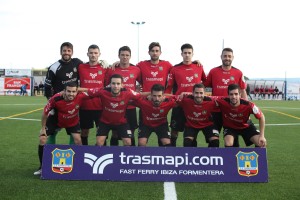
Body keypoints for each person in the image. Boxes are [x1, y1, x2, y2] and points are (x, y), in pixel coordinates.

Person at [34, 82, 88, 175]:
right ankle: (42, 167)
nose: (71, 94)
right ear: (64, 91)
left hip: (72, 121)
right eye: (69, 91)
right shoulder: (55, 98)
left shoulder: (81, 96)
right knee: (42, 139)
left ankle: (79, 165)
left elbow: (94, 91)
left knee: (78, 140)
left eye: (74, 91)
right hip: (55, 120)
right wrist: (43, 128)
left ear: (77, 91)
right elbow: (45, 113)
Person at [81, 74, 145, 146]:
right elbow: (88, 93)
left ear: (122, 85)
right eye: (113, 83)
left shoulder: (128, 92)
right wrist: (74, 95)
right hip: (105, 122)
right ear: (110, 84)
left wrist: (151, 96)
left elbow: (140, 96)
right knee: (99, 142)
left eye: (118, 84)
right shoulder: (103, 91)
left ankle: (124, 157)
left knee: (128, 142)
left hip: (121, 122)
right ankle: (101, 156)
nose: (116, 86)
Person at [204, 47, 247, 147]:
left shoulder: (238, 73)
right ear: (221, 57)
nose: (227, 58)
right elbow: (204, 87)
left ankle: (232, 162)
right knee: (213, 140)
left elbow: (243, 91)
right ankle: (212, 161)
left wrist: (244, 109)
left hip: (232, 112)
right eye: (225, 56)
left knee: (233, 141)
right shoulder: (213, 71)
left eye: (229, 56)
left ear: (233, 57)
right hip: (216, 110)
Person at [165, 43, 206, 146]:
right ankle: (172, 152)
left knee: (192, 131)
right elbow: (169, 88)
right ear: (181, 54)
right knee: (175, 130)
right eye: (185, 53)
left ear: (193, 54)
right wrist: (167, 100)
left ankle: (191, 154)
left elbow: (205, 83)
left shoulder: (199, 67)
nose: (187, 55)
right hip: (179, 104)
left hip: (194, 105)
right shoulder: (174, 69)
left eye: (189, 53)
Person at [43, 42, 83, 146]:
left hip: (73, 102)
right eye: (64, 50)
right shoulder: (54, 67)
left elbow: (88, 67)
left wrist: (102, 63)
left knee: (74, 134)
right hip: (58, 104)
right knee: (52, 133)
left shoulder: (77, 63)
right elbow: (47, 87)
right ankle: (49, 159)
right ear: (61, 52)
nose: (66, 53)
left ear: (72, 52)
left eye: (69, 51)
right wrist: (50, 104)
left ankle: (73, 158)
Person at [105, 46, 141, 146]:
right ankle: (114, 155)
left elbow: (143, 82)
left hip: (131, 106)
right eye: (122, 55)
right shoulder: (112, 69)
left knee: (131, 132)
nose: (125, 57)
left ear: (130, 56)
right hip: (116, 106)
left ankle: (132, 156)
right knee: (115, 132)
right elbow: (106, 85)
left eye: (127, 55)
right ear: (118, 56)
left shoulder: (136, 69)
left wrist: (138, 89)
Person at [78, 44, 107, 145]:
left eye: (95, 53)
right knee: (84, 132)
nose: (93, 55)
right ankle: (84, 152)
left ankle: (102, 154)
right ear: (87, 54)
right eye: (91, 53)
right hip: (85, 106)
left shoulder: (105, 68)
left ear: (99, 54)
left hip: (100, 106)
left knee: (102, 133)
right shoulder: (81, 67)